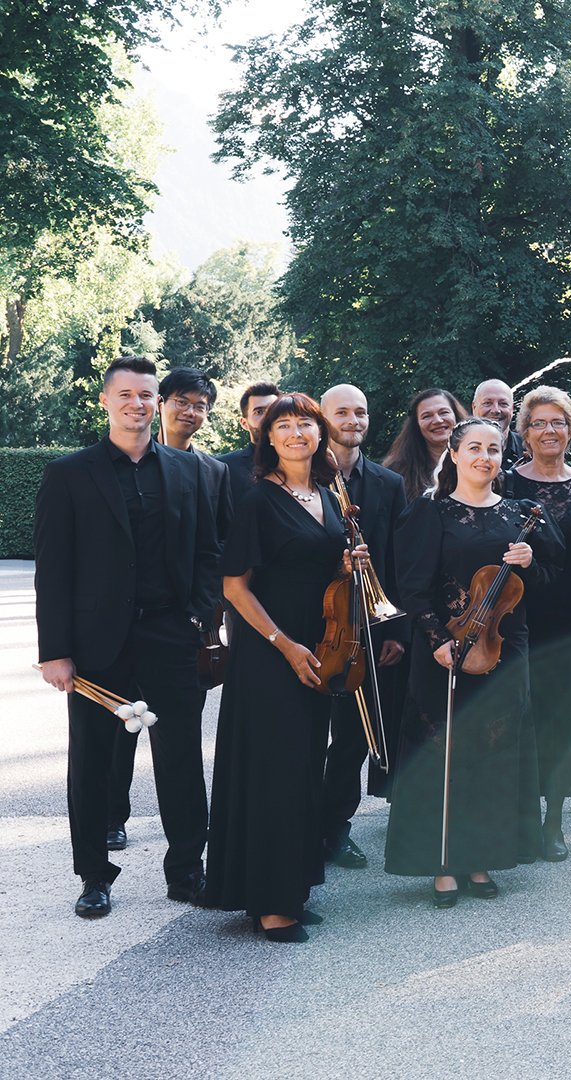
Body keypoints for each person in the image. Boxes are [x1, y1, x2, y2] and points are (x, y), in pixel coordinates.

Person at [35, 356, 221, 919]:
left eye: (147, 395)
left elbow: (208, 553)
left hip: (170, 634)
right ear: (106, 401)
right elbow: (53, 569)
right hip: (95, 644)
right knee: (91, 763)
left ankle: (188, 869)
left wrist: (198, 619)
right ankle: (94, 876)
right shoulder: (68, 474)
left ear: (156, 403)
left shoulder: (190, 472)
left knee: (183, 758)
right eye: (127, 395)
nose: (137, 404)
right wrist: (56, 652)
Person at [205, 393, 369, 942]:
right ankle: (271, 904)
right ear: (268, 438)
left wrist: (346, 563)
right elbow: (234, 587)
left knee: (301, 770)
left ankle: (287, 889)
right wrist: (284, 644)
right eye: (285, 426)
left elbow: (314, 569)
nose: (297, 433)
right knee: (273, 772)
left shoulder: (324, 495)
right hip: (270, 652)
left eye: (306, 424)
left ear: (319, 435)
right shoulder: (258, 498)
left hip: (317, 648)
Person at [386, 418, 561, 908]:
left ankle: (483, 855)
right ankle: (443, 862)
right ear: (456, 454)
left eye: (494, 448)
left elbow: (549, 580)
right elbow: (412, 588)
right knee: (445, 752)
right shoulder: (430, 512)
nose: (486, 456)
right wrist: (439, 640)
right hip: (445, 649)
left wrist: (532, 561)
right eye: (476, 448)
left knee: (494, 752)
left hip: (506, 647)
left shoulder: (522, 513)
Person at [105, 367, 227, 855]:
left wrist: (199, 616)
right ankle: (113, 815)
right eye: (181, 401)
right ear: (163, 405)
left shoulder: (212, 472)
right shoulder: (110, 462)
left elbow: (214, 547)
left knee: (179, 740)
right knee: (119, 728)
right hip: (116, 624)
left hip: (177, 624)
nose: (189, 412)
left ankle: (189, 854)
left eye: (200, 405)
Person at [503, 386, 571, 862]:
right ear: (524, 432)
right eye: (539, 423)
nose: (549, 430)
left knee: (561, 722)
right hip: (517, 620)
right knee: (519, 719)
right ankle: (517, 819)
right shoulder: (506, 483)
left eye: (558, 422)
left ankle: (553, 823)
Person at [315, 384, 409, 871]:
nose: (353, 419)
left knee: (353, 736)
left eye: (361, 412)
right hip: (316, 625)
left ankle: (336, 828)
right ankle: (301, 827)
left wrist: (395, 629)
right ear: (323, 417)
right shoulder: (301, 479)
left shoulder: (387, 484)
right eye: (342, 412)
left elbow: (397, 561)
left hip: (368, 630)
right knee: (308, 737)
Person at [383, 388, 468, 498]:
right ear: (416, 425)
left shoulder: (478, 462)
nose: (437, 420)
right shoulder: (396, 473)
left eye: (444, 412)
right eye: (427, 416)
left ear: (456, 416)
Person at [214, 381, 281, 503]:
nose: (268, 417)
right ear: (244, 423)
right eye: (259, 412)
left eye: (274, 410)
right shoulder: (223, 468)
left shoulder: (306, 463)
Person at [471, 379, 526, 463]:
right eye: (487, 403)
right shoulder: (459, 449)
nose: (495, 410)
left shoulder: (530, 448)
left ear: (512, 409)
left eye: (503, 403)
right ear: (474, 407)